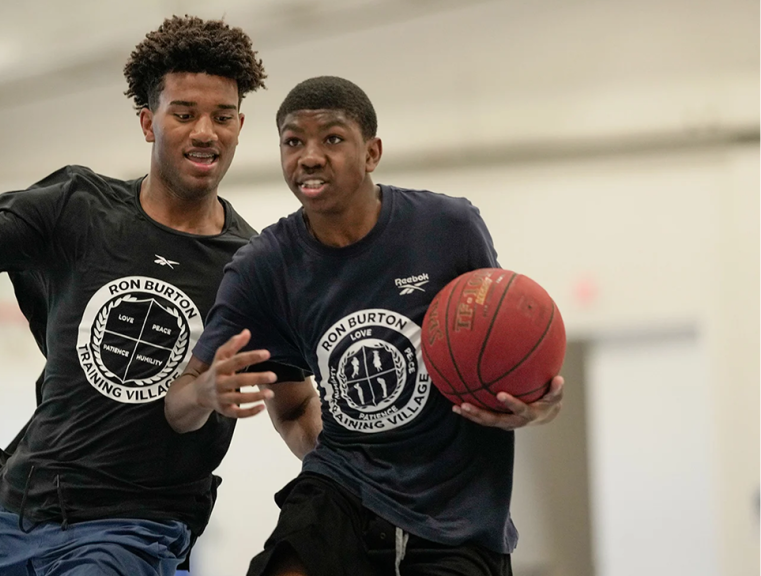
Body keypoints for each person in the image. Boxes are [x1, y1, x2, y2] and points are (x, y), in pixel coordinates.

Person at [0, 15, 291, 576]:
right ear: (148, 122)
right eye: (184, 114)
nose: (206, 131)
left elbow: (287, 406)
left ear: (239, 124)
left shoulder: (248, 267)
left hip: (136, 528)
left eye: (222, 117)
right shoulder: (76, 208)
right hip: (21, 515)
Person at [165, 76, 565, 576]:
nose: (309, 156)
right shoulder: (263, 267)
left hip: (456, 512)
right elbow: (178, 406)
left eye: (331, 138)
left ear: (372, 152)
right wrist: (202, 392)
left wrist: (532, 407)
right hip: (342, 489)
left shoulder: (449, 228)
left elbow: (501, 346)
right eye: (293, 141)